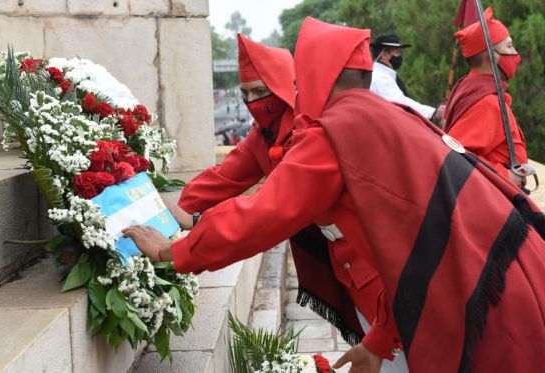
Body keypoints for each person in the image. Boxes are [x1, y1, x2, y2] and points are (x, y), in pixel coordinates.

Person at [124, 17, 545, 373]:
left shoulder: (335, 133)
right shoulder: (384, 114)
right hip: (504, 268)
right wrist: (379, 342)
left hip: (477, 292)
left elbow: (261, 215)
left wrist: (170, 253)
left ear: (312, 73)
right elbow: (411, 244)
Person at [172, 32, 403, 366]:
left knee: (398, 349)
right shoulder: (263, 135)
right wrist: (179, 210)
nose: (252, 102)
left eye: (260, 92)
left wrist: (176, 248)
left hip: (371, 259)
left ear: (284, 87)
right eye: (245, 93)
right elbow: (225, 176)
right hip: (348, 263)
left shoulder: (314, 133)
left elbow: (268, 209)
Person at [444, 7, 527, 188]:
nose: (515, 53)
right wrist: (505, 175)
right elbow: (455, 160)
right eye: (509, 46)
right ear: (491, 56)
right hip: (495, 202)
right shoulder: (486, 102)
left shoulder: (470, 85)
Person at [370, 33, 444, 121]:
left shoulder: (383, 74)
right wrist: (433, 113)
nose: (400, 56)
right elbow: (400, 103)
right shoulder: (380, 77)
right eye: (397, 52)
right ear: (385, 55)